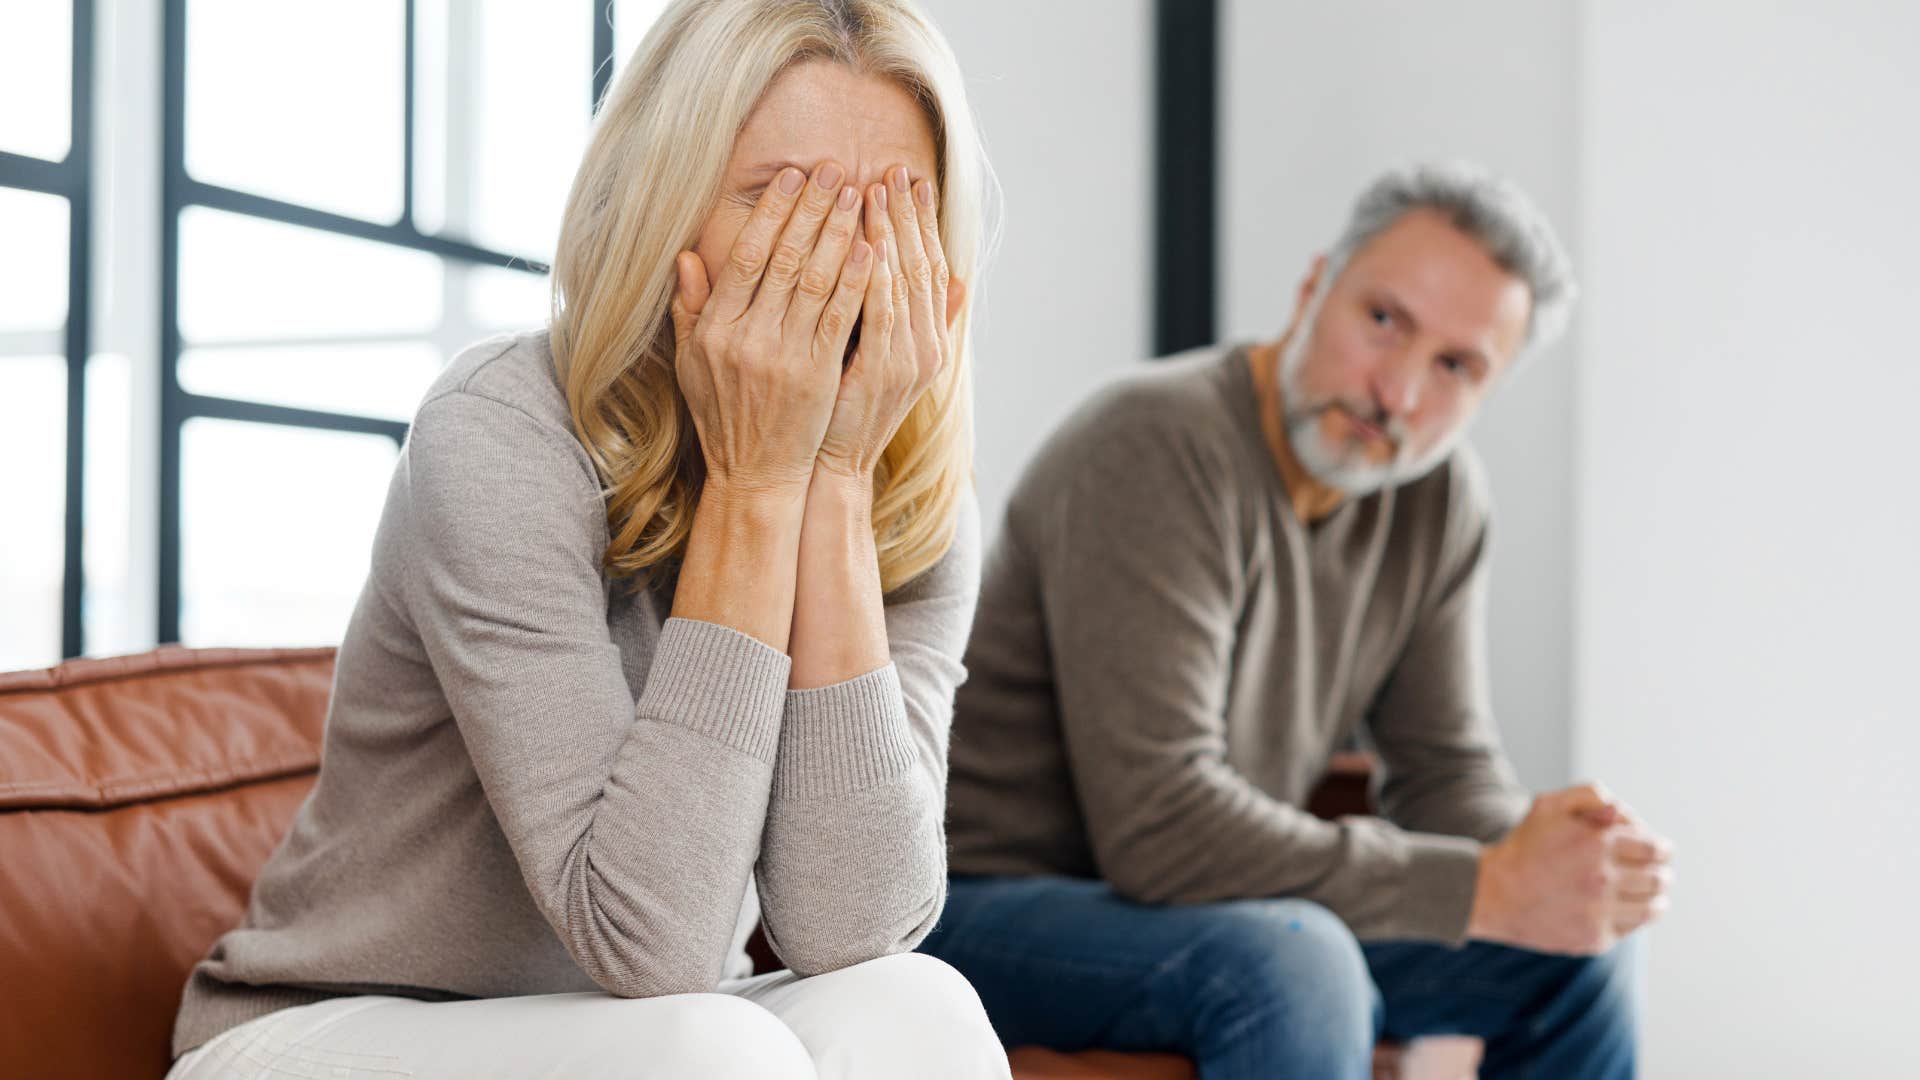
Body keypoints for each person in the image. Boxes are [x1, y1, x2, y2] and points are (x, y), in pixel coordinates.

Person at [167, 2, 1008, 1077]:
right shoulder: (499, 428)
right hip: (325, 1024)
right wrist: (756, 488)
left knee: (914, 1001)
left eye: (892, 212)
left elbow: (856, 932)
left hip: (632, 1025)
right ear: (668, 208)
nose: (832, 264)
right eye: (780, 198)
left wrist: (833, 482)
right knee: (710, 1046)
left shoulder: (916, 495)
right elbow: (652, 941)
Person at [919, 161, 1674, 1079]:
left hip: (1213, 907)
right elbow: (1160, 830)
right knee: (1297, 961)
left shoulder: (1435, 498)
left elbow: (1443, 774)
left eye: (1455, 366)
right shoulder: (1155, 445)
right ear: (1315, 286)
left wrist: (1551, 858)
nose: (1395, 392)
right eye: (1384, 320)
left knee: (1577, 949)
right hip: (998, 907)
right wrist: (1487, 885)